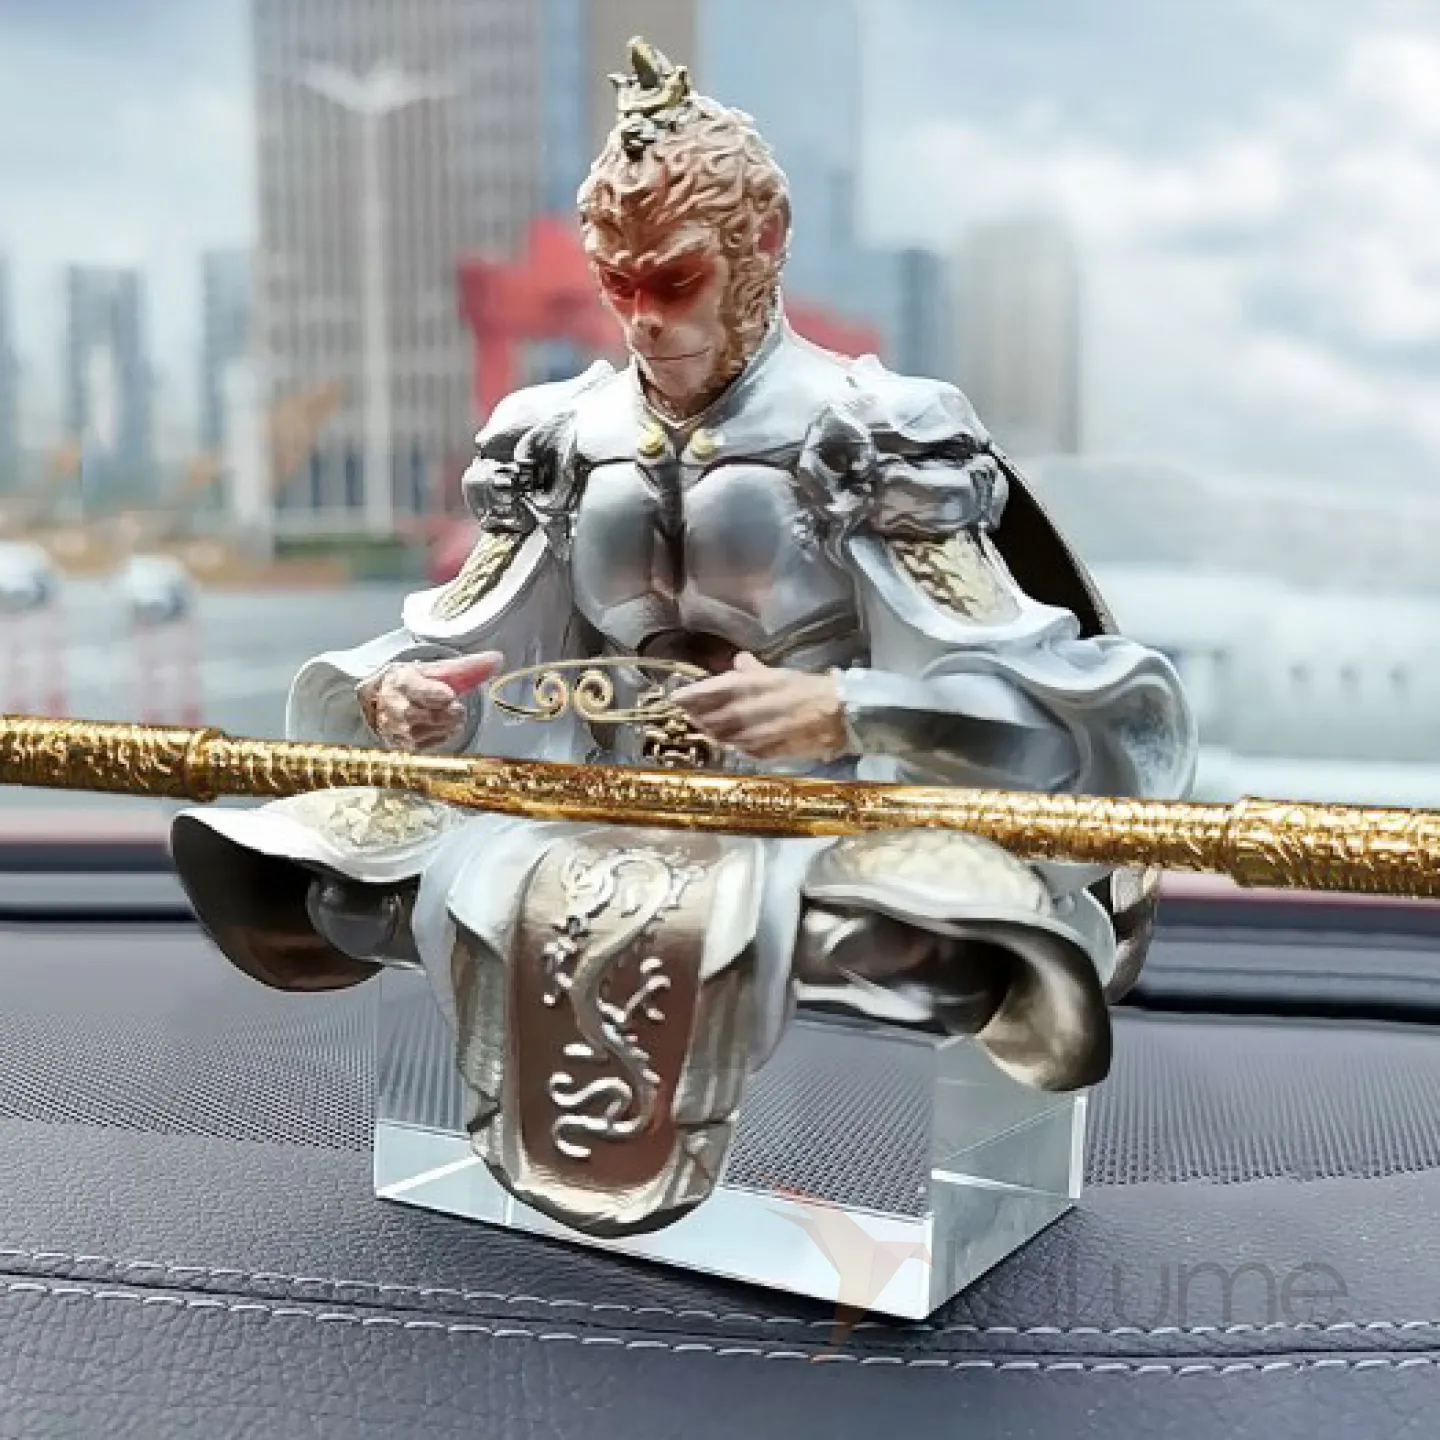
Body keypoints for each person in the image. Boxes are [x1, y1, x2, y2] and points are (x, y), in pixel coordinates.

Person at [172, 40, 1197, 1238]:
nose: (645, 321)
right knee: (319, 870)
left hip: (814, 827)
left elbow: (1022, 699)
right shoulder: (552, 436)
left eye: (674, 279)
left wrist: (849, 711)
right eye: (618, 286)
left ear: (764, 243)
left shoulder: (878, 433)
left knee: (922, 941)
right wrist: (409, 702)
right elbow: (470, 647)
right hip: (581, 815)